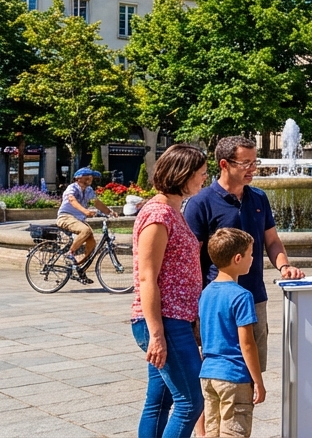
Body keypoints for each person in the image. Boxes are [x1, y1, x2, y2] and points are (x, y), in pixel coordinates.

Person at [185, 136, 304, 382]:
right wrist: (195, 308)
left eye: (254, 162)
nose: (253, 169)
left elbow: (272, 241)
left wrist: (284, 266)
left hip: (254, 298)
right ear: (224, 164)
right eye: (246, 163)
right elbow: (191, 259)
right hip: (218, 302)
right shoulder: (200, 203)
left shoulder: (259, 198)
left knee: (253, 372)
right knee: (218, 372)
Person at [132, 144, 209, 438]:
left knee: (160, 401)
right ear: (183, 174)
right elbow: (147, 278)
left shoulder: (172, 211)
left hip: (174, 320)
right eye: (201, 173)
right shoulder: (158, 215)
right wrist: (157, 335)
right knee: (190, 403)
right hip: (166, 321)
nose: (205, 178)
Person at [198, 228, 266, 438]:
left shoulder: (206, 293)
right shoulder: (242, 296)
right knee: (234, 433)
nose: (253, 259)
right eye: (250, 254)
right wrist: (258, 381)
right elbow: (247, 344)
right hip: (234, 376)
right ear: (238, 258)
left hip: (208, 374)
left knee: (212, 432)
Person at [56, 167, 114, 280]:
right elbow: (72, 200)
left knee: (92, 244)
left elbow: (97, 203)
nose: (90, 178)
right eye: (87, 176)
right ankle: (69, 254)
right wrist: (85, 211)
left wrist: (109, 212)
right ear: (78, 178)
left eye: (91, 176)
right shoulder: (72, 188)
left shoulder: (89, 190)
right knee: (86, 230)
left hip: (79, 220)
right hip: (66, 216)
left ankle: (79, 269)